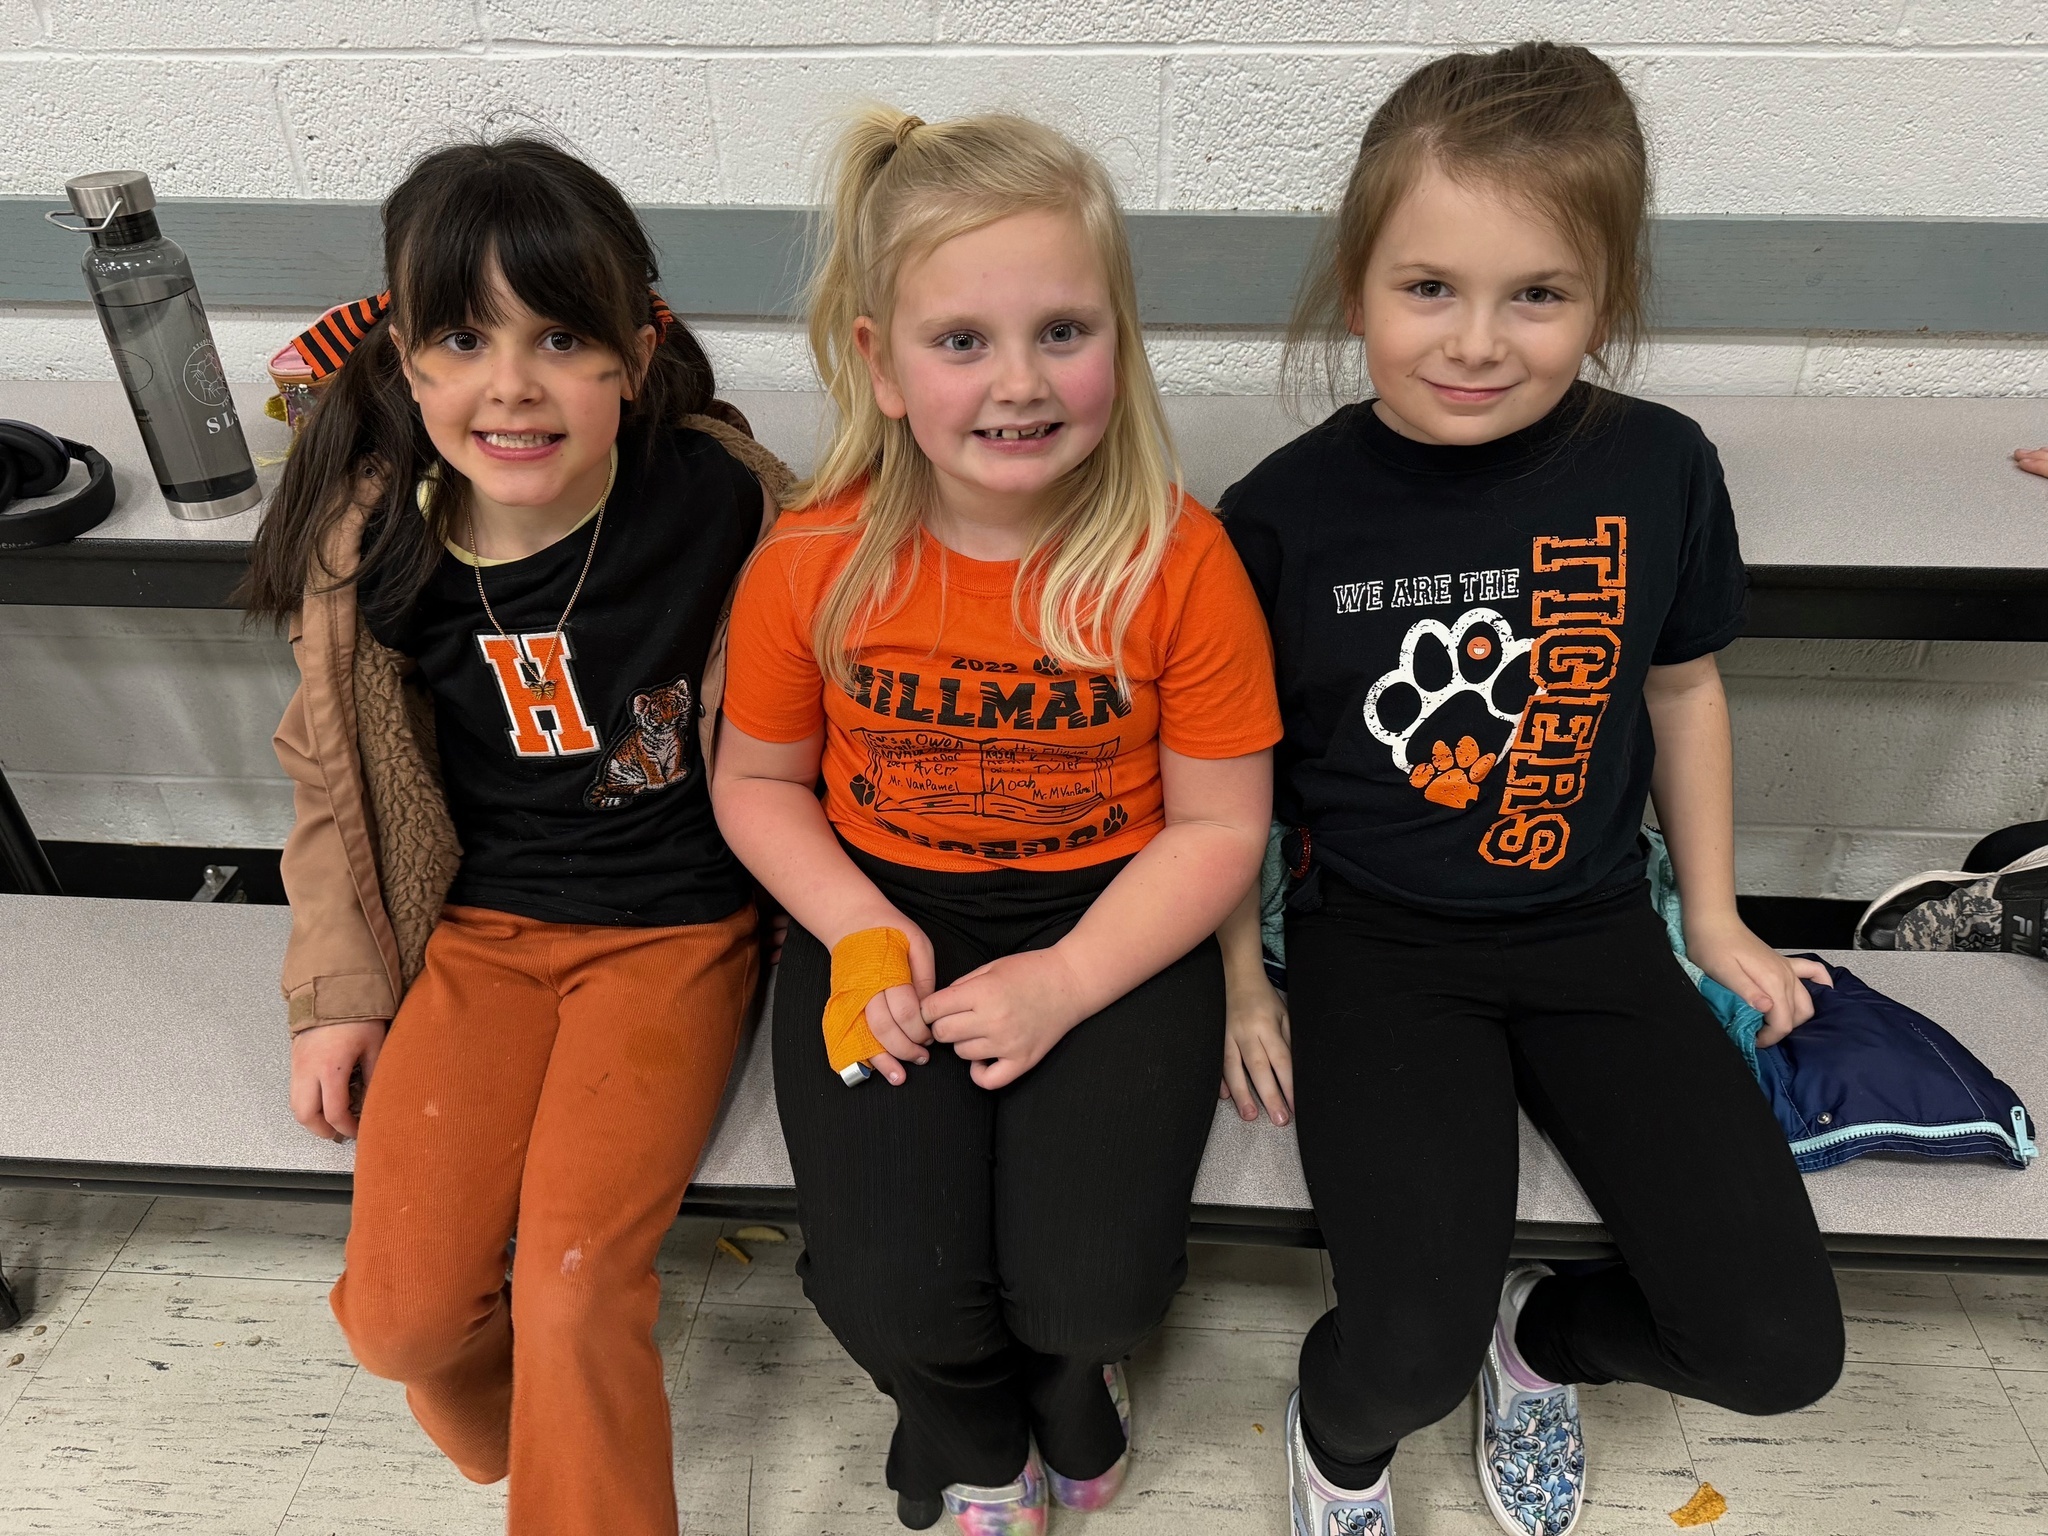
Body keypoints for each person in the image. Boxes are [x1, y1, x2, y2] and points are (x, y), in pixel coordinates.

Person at [1215, 44, 1846, 1536]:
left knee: (1777, 1350)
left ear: (1605, 300)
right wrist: (1242, 980)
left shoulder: (1658, 467)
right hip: (1381, 948)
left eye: (1539, 294)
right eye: (1429, 287)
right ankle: (1339, 1452)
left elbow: (1682, 689)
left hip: (1593, 931)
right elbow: (1229, 779)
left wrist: (1716, 918)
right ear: (1357, 286)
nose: (1477, 342)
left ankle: (1538, 1341)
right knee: (1400, 1355)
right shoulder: (1279, 517)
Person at [710, 107, 1280, 1534]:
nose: (1019, 383)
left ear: (1119, 344)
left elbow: (1219, 830)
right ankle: (967, 1428)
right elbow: (757, 784)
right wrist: (858, 926)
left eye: (1063, 333)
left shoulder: (1179, 562)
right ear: (879, 363)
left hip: (1113, 918)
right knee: (889, 1289)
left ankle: (1076, 1382)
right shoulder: (811, 562)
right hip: (880, 911)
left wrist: (1069, 979)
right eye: (962, 340)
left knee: (1093, 1286)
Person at [242, 136, 790, 1536]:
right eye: (465, 340)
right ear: (408, 365)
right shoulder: (379, 552)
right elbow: (333, 784)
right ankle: (520, 1430)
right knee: (402, 1320)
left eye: (561, 338)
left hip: (673, 934)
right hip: (478, 939)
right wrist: (336, 995)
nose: (513, 386)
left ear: (636, 354)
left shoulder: (720, 500)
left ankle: (572, 1474)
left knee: (572, 1286)